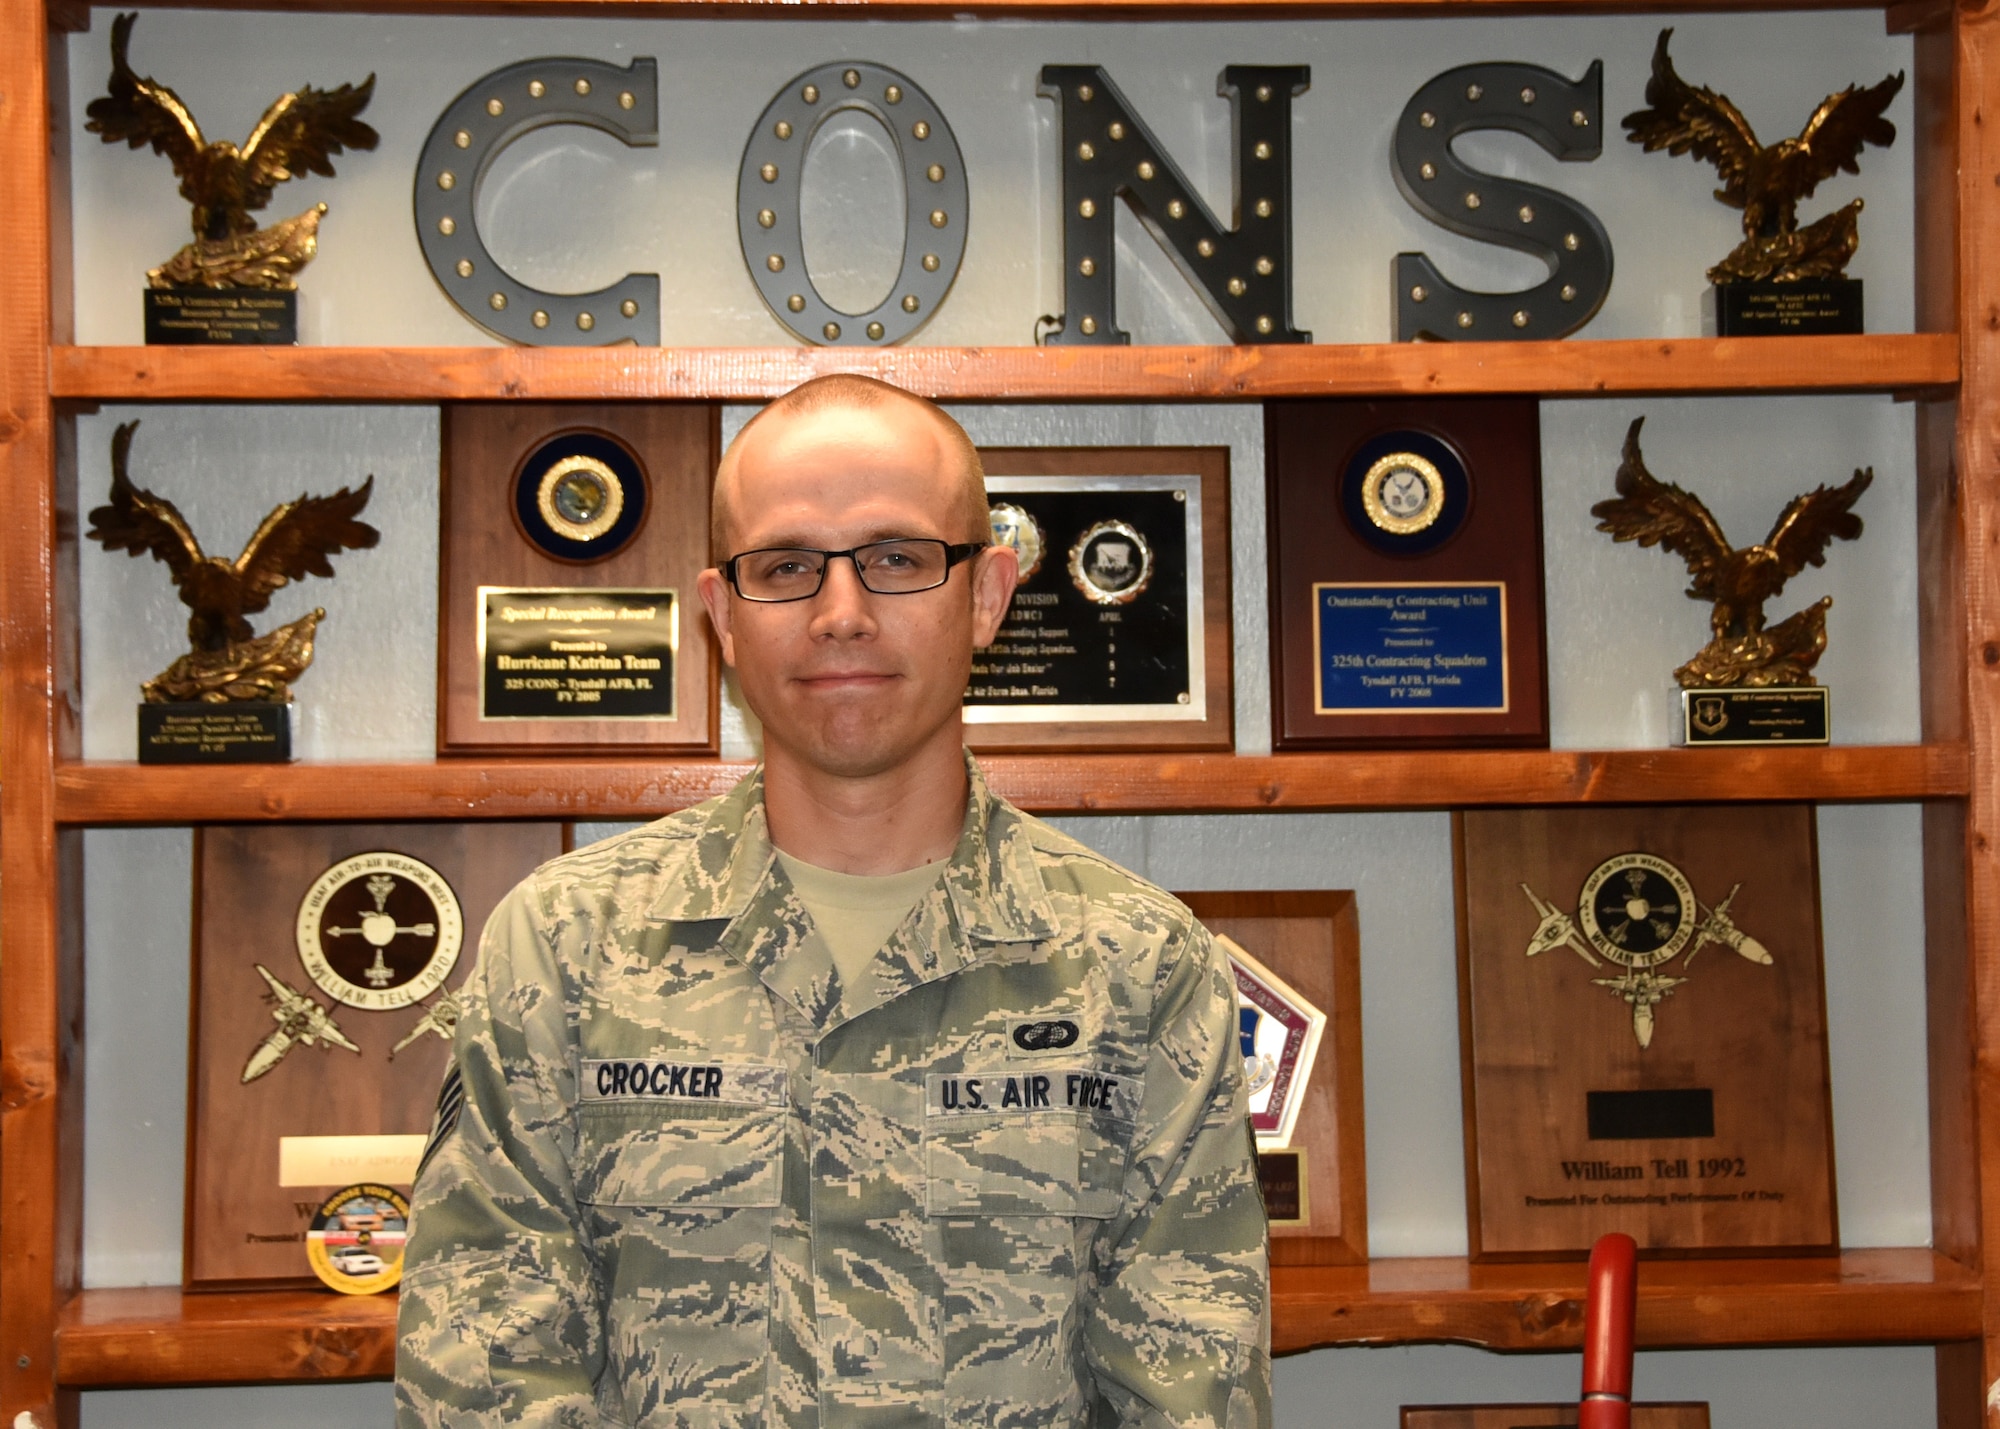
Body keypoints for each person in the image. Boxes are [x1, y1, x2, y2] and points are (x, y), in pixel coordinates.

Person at [395, 374, 1270, 1429]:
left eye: (897, 559)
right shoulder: (564, 950)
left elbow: (1189, 1391)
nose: (840, 614)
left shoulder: (1137, 965)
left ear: (987, 595)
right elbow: (485, 1372)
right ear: (721, 614)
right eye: (787, 567)